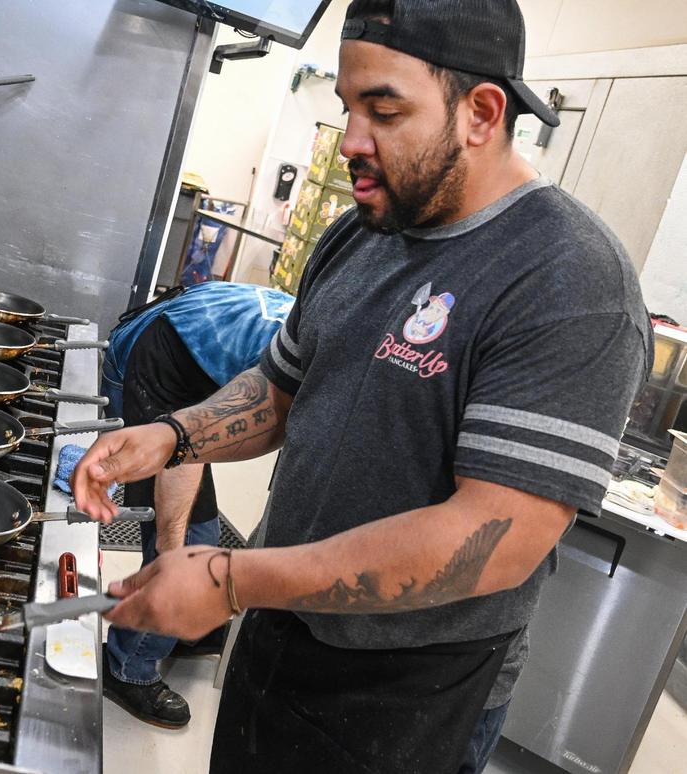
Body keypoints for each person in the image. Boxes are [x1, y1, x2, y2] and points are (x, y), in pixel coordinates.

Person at [73, 2, 653, 772]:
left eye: (384, 111)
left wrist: (232, 577)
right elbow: (279, 391)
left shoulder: (569, 279)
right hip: (282, 624)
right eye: (349, 106)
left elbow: (495, 541)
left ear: (482, 113)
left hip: (410, 688)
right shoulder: (363, 232)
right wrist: (173, 436)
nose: (350, 140)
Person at [97, 280, 293, 729]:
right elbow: (185, 457)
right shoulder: (287, 366)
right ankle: (127, 668)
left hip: (184, 330)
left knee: (199, 532)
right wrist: (172, 552)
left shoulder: (314, 342)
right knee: (186, 541)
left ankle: (184, 631)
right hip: (158, 364)